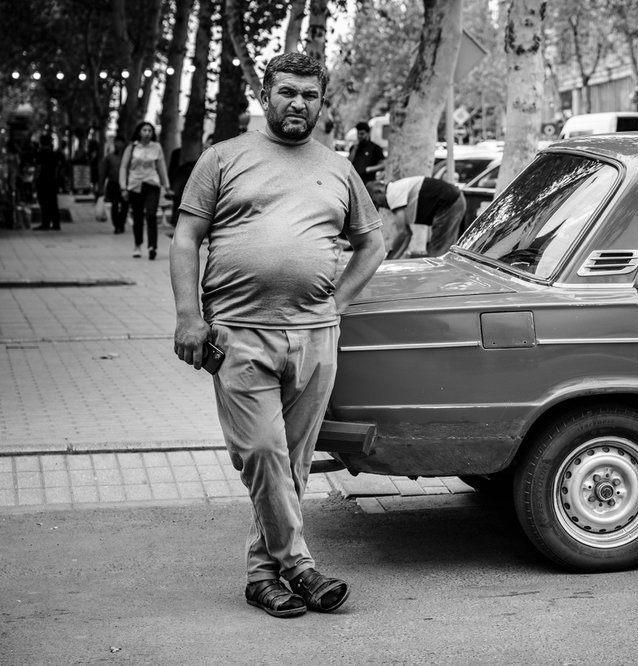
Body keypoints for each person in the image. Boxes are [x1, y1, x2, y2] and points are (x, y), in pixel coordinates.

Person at [169, 52, 384, 619]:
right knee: (261, 452)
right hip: (238, 333)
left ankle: (263, 579)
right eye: (287, 92)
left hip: (315, 338)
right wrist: (189, 316)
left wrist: (336, 305)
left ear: (321, 101)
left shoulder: (338, 167)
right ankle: (302, 567)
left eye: (310, 95)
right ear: (265, 95)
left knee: (291, 465)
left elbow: (373, 243)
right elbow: (186, 238)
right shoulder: (223, 158)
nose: (299, 104)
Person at [366, 176, 466, 259]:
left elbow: (403, 233)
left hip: (450, 203)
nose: (379, 206)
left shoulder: (393, 193)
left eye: (375, 202)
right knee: (441, 252)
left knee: (438, 253)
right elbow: (407, 235)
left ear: (378, 191)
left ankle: (441, 281)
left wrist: (389, 259)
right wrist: (392, 259)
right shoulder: (396, 193)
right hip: (453, 201)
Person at [120, 121, 170, 259]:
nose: (147, 133)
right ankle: (137, 245)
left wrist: (166, 186)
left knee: (151, 214)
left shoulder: (157, 147)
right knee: (137, 217)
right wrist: (123, 187)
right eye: (144, 130)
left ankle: (152, 246)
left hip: (152, 184)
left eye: (149, 130)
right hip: (135, 185)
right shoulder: (132, 148)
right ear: (139, 132)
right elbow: (124, 167)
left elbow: (161, 167)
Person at [98, 135, 129, 233]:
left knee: (125, 206)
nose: (118, 144)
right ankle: (116, 225)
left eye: (120, 142)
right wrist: (101, 186)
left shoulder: (128, 157)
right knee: (114, 206)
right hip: (113, 184)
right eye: (116, 142)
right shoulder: (109, 157)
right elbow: (103, 172)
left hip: (126, 185)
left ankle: (121, 223)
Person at [32, 135, 63, 231]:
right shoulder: (54, 154)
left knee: (44, 202)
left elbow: (38, 168)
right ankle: (56, 223)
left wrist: (34, 180)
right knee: (53, 202)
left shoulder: (40, 154)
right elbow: (58, 168)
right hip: (52, 180)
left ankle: (45, 223)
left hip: (42, 180)